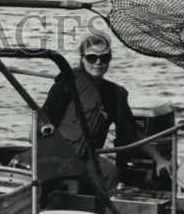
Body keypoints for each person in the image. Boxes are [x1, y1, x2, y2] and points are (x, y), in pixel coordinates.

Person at [41, 31, 173, 192]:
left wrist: (159, 159)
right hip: (57, 154)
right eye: (92, 58)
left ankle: (104, 208)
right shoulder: (66, 86)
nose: (98, 62)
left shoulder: (114, 94)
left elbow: (132, 133)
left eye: (104, 58)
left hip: (86, 158)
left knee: (112, 175)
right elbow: (40, 127)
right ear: (82, 58)